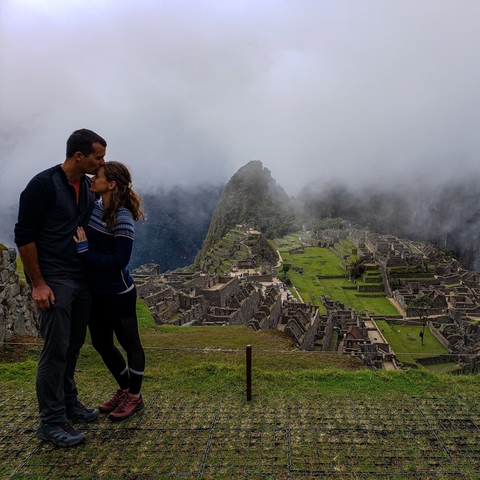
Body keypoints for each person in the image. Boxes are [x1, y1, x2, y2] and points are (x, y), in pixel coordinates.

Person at [14, 129, 107, 447]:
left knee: (72, 345)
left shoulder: (87, 187)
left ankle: (68, 403)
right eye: (98, 157)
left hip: (80, 278)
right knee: (54, 350)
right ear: (79, 156)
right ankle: (51, 421)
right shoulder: (42, 186)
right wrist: (38, 284)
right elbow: (24, 236)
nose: (102, 162)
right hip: (54, 278)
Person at [74, 161, 146, 421]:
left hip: (118, 292)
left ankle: (135, 397)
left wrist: (85, 253)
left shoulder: (122, 217)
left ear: (111, 184)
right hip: (96, 292)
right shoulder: (94, 207)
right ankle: (125, 389)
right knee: (101, 343)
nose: (92, 179)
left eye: (98, 176)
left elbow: (120, 261)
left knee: (130, 344)